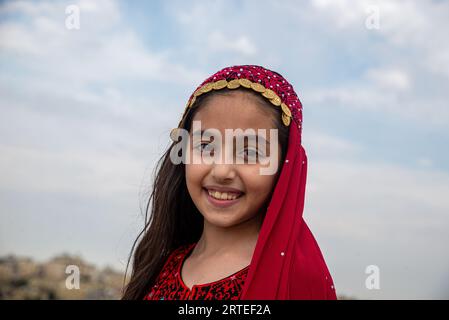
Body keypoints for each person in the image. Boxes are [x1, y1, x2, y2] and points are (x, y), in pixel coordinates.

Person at [122, 65, 337, 300]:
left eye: (250, 152)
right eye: (205, 146)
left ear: (285, 166)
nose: (222, 170)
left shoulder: (298, 281)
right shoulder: (162, 265)